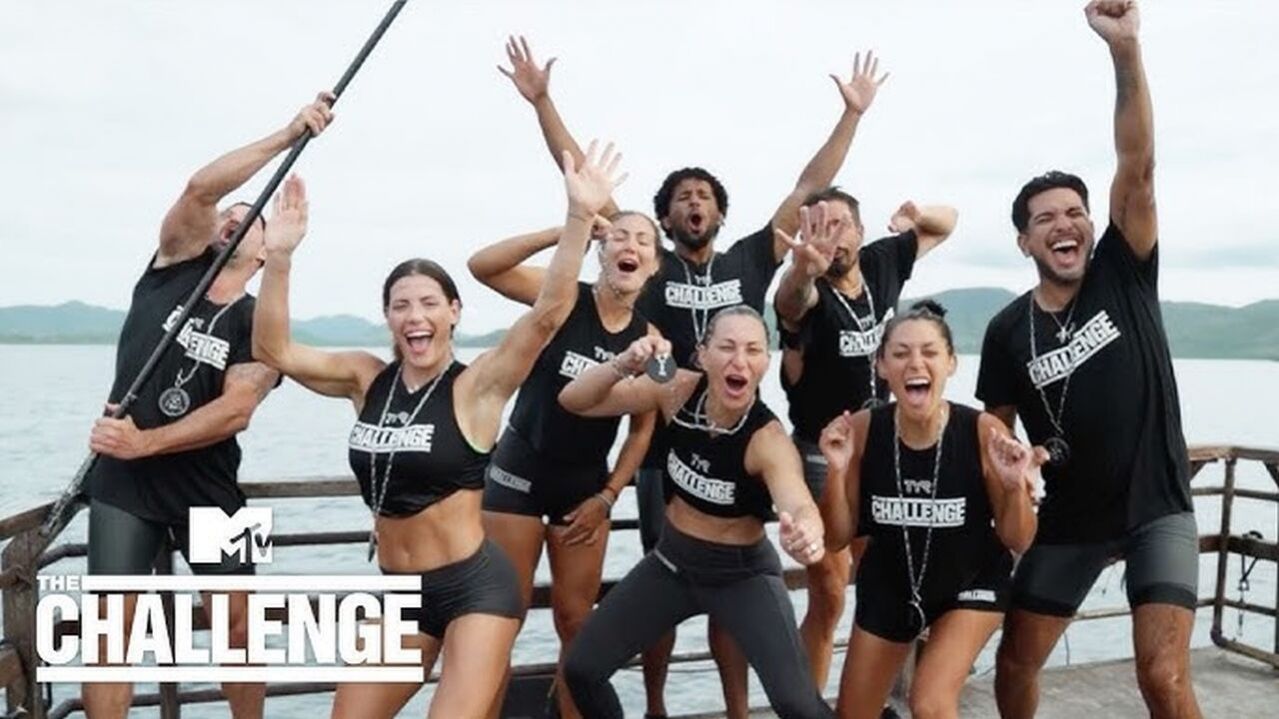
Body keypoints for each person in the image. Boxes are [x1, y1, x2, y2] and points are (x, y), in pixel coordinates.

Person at [499, 35, 887, 717]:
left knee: (743, 586)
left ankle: (735, 709)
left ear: (719, 212)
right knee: (661, 582)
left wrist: (851, 116)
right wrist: (542, 102)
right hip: (668, 430)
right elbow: (588, 184)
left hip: (737, 434)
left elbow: (805, 188)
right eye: (681, 197)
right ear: (665, 218)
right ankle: (654, 704)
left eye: (704, 194)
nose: (693, 201)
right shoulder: (651, 266)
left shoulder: (747, 260)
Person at [250, 142, 626, 718]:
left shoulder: (476, 387)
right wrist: (278, 259)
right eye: (401, 305)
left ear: (454, 311)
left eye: (429, 302)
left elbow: (548, 315)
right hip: (400, 593)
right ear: (388, 317)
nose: (415, 316)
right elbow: (272, 349)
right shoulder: (364, 379)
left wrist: (577, 218)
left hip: (475, 588)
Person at [976, 3, 1202, 717]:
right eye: (1044, 217)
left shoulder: (1122, 270)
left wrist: (1124, 50)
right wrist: (1013, 475)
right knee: (1014, 662)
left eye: (1074, 211)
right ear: (1024, 242)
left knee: (1162, 677)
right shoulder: (1007, 330)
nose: (1063, 223)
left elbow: (1138, 165)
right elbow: (993, 430)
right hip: (1069, 519)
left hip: (1157, 506)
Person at [82, 92, 334, 719]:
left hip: (210, 486)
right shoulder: (170, 268)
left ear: (264, 251)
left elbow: (236, 410)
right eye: (229, 216)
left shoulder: (261, 321)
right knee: (109, 638)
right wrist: (288, 134)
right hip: (124, 485)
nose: (231, 221)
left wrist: (144, 441)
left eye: (249, 221)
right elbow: (200, 189)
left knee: (240, 630)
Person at [559, 306, 833, 719]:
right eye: (726, 347)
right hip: (672, 564)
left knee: (798, 705)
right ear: (702, 355)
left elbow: (796, 498)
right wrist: (623, 363)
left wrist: (808, 530)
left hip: (742, 576)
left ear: (766, 360)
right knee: (581, 670)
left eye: (753, 350)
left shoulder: (768, 439)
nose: (739, 361)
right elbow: (574, 400)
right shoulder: (676, 390)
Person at [465, 210, 660, 718]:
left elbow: (644, 427)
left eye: (643, 240)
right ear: (602, 250)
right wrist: (567, 230)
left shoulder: (652, 340)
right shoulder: (563, 296)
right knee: (500, 620)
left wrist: (608, 496)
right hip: (518, 472)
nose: (630, 245)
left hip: (584, 488)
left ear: (654, 264)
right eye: (619, 236)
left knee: (576, 622)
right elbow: (483, 267)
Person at [818, 301, 1039, 719]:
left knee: (930, 703)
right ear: (882, 366)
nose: (915, 363)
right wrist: (836, 471)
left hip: (970, 582)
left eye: (930, 352)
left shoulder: (983, 431)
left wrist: (1014, 489)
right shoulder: (862, 430)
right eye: (900, 353)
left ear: (951, 363)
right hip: (891, 583)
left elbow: (1020, 538)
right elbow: (835, 538)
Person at [774, 191, 958, 689]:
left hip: (880, 445)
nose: (830, 237)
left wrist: (917, 216)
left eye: (839, 225)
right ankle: (810, 703)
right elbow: (790, 302)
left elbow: (948, 222)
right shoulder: (811, 290)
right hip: (821, 454)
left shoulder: (883, 262)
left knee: (891, 582)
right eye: (818, 226)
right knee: (831, 592)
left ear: (859, 231)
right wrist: (803, 270)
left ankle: (874, 695)